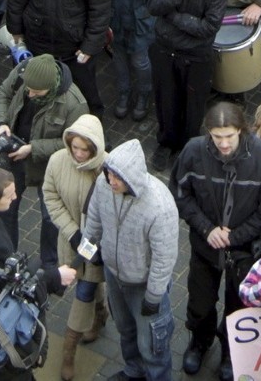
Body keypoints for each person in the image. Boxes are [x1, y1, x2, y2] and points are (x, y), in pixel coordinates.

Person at [171, 102, 261, 381]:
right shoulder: (193, 152)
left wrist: (235, 236)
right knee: (199, 303)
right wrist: (207, 229)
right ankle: (200, 340)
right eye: (216, 136)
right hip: (204, 246)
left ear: (241, 131)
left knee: (239, 305)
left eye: (229, 136)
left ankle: (231, 350)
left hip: (244, 252)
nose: (222, 143)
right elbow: (181, 194)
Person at [84, 139, 178, 381]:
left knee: (153, 344)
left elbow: (164, 257)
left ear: (133, 176)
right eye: (108, 174)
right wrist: (87, 251)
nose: (111, 181)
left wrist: (154, 296)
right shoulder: (104, 185)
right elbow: (93, 219)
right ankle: (134, 371)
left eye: (118, 177)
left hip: (143, 285)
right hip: (114, 275)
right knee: (125, 330)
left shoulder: (159, 205)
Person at [146, 0, 228, 167]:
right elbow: (152, 5)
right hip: (165, 48)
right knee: (165, 100)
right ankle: (166, 142)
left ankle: (188, 147)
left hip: (196, 55)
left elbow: (209, 27)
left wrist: (172, 16)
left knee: (193, 106)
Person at [0, 52, 88, 253]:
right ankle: (8, 257)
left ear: (51, 88)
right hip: (14, 155)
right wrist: (1, 123)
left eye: (36, 92)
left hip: (50, 169)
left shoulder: (75, 104)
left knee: (50, 217)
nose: (30, 94)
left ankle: (48, 263)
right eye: (28, 90)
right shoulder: (23, 74)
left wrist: (34, 148)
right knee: (6, 209)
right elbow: (4, 93)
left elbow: (73, 145)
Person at [42, 115, 110, 377]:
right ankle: (101, 315)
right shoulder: (58, 161)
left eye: (85, 149)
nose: (79, 154)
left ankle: (68, 352)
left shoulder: (108, 169)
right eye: (75, 148)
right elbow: (50, 196)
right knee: (89, 287)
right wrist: (72, 234)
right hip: (72, 246)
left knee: (83, 295)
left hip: (97, 249)